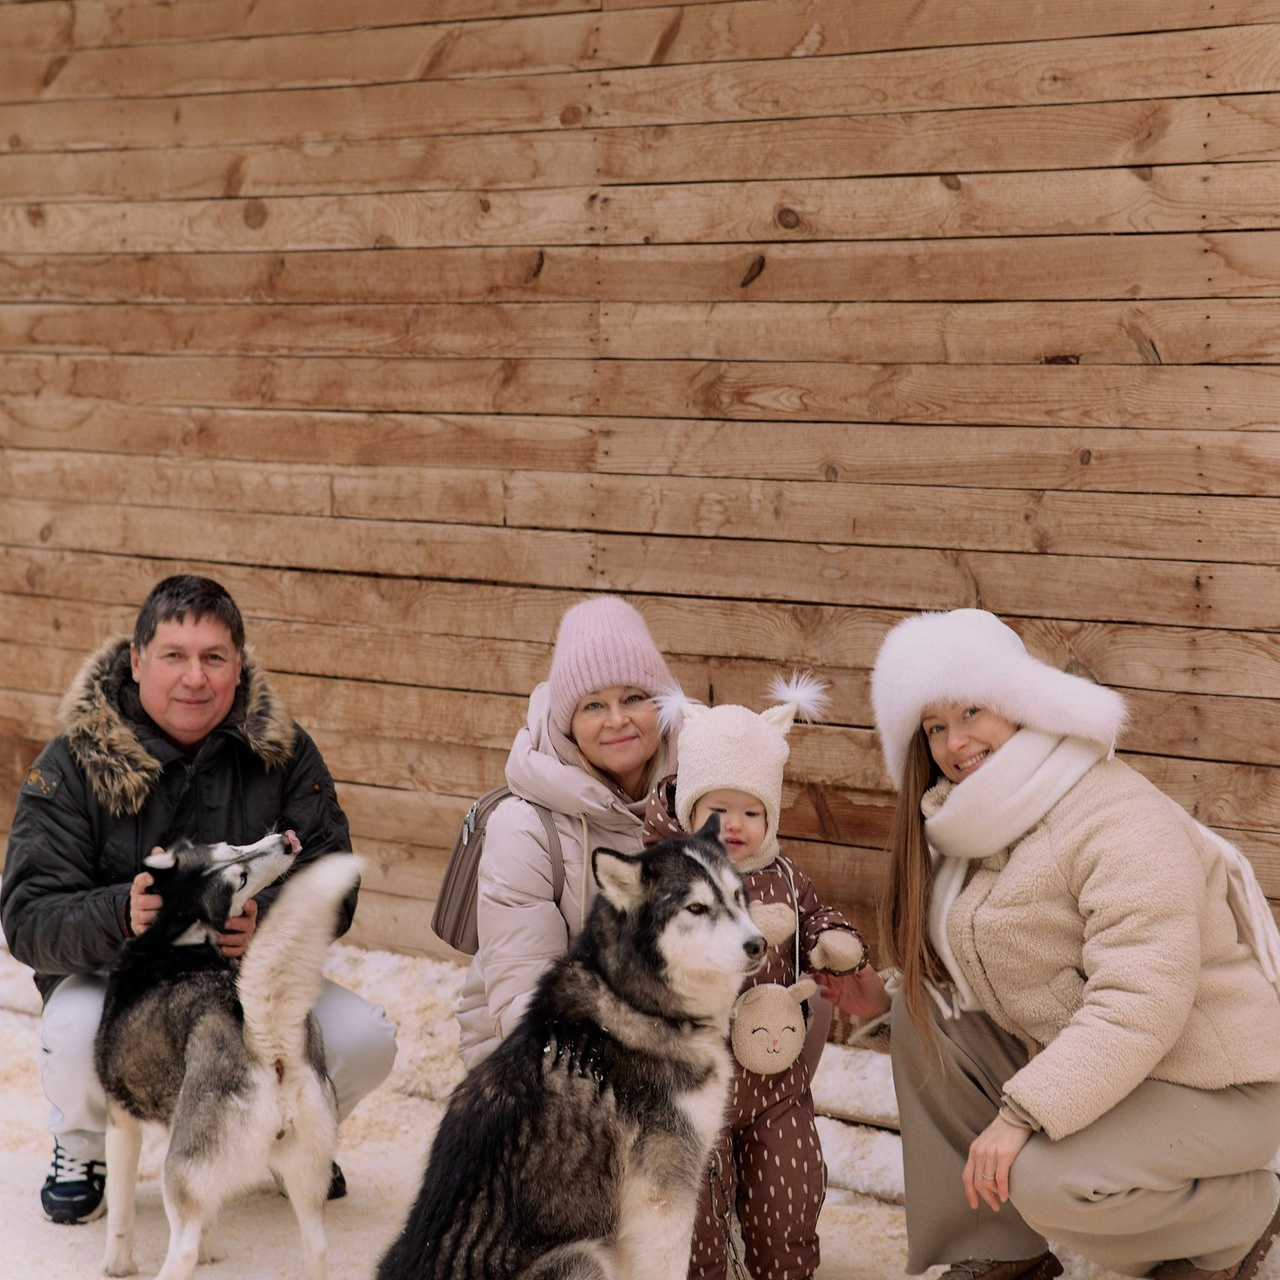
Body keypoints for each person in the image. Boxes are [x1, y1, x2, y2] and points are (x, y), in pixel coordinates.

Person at [820, 607, 1280, 1280]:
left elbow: (1140, 999)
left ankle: (1236, 1220)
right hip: (1116, 1077)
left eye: (972, 711)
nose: (955, 743)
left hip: (1213, 1086)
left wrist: (1022, 1115)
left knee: (1045, 1179)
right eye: (936, 727)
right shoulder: (973, 823)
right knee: (925, 1015)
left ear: (1020, 702)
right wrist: (884, 1001)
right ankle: (995, 1253)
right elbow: (988, 963)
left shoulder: (1115, 817)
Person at [0, 575, 398, 1224]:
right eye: (174, 656)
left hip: (242, 983)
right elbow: (27, 916)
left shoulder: (285, 753)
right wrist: (118, 914)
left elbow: (335, 877)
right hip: (119, 984)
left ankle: (282, 1136)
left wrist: (268, 925)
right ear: (136, 661)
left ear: (237, 668)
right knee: (73, 1035)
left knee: (366, 1037)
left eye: (214, 658)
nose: (195, 678)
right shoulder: (72, 763)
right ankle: (83, 1147)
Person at [644, 674, 867, 1280]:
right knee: (697, 1212)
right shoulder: (665, 874)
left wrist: (830, 938)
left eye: (752, 811)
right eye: (718, 810)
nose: (735, 825)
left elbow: (815, 912)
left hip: (777, 1077)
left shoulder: (785, 874)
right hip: (692, 1084)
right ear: (691, 808)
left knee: (788, 1193)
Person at [453, 594, 679, 1068]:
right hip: (542, 1059)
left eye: (633, 697)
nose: (617, 720)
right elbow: (524, 1001)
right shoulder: (525, 827)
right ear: (568, 726)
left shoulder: (700, 791)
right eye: (594, 705)